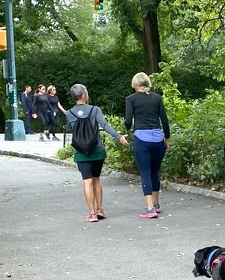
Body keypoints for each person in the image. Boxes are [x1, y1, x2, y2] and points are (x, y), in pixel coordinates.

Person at [58, 84, 129, 222]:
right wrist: (119, 136)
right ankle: (100, 209)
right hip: (97, 150)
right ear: (84, 95)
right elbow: (105, 125)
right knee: (96, 179)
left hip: (80, 152)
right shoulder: (95, 110)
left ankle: (91, 213)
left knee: (87, 181)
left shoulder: (69, 113)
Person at [125, 72, 170, 219]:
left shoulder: (131, 99)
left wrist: (127, 130)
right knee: (154, 171)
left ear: (135, 84)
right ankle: (156, 205)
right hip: (158, 139)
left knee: (145, 172)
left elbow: (128, 120)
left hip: (142, 139)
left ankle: (149, 208)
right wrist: (167, 139)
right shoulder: (157, 98)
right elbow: (164, 120)